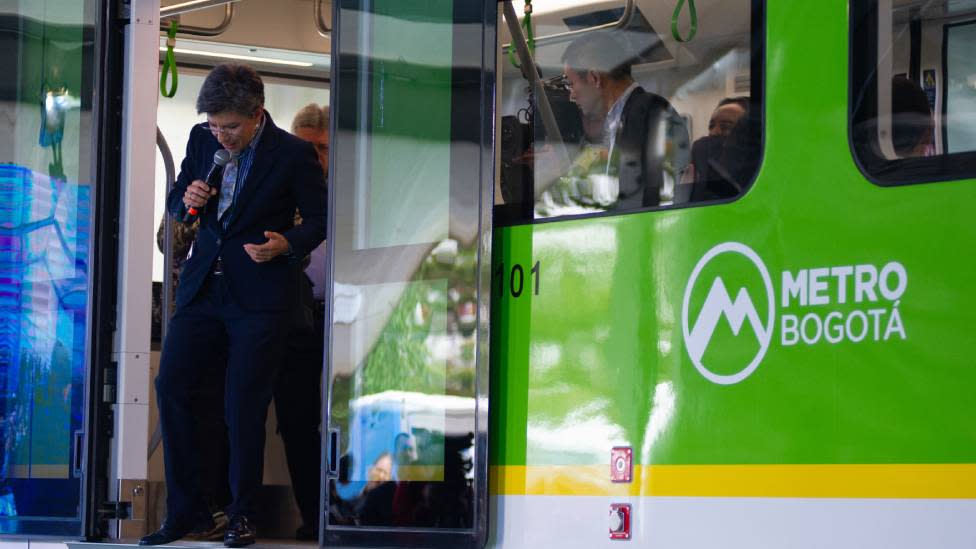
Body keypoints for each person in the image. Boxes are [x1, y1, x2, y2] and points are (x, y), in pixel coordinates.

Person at [140, 63, 326, 547]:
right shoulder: (203, 142)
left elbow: (321, 221)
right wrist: (189, 198)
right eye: (214, 125)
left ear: (256, 114)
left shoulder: (293, 154)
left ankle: (242, 514)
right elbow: (179, 205)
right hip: (202, 288)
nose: (221, 135)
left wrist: (286, 243)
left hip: (259, 294)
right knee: (172, 386)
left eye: (231, 127)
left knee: (242, 404)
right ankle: (185, 512)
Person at [273, 103, 329, 541]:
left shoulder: (356, 189)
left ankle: (351, 515)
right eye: (307, 147)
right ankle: (314, 516)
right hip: (293, 316)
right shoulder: (279, 189)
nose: (315, 157)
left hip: (347, 315)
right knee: (296, 420)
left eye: (324, 148)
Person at [560, 32, 688, 210]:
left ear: (594, 78)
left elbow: (654, 199)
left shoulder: (649, 111)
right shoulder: (620, 121)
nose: (571, 95)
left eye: (571, 84)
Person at [686, 96, 750, 202]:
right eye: (711, 126)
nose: (713, 132)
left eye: (726, 127)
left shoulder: (753, 178)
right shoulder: (703, 163)